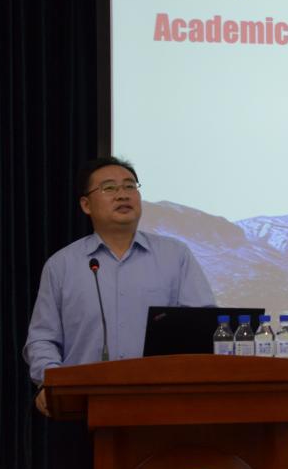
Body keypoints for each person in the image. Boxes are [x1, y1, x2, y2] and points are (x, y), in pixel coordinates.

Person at [23, 156, 215, 415]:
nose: (122, 195)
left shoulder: (175, 256)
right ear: (86, 205)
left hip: (161, 405)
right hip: (82, 407)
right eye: (109, 188)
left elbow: (202, 325)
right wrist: (52, 382)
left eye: (129, 186)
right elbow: (42, 338)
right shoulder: (62, 265)